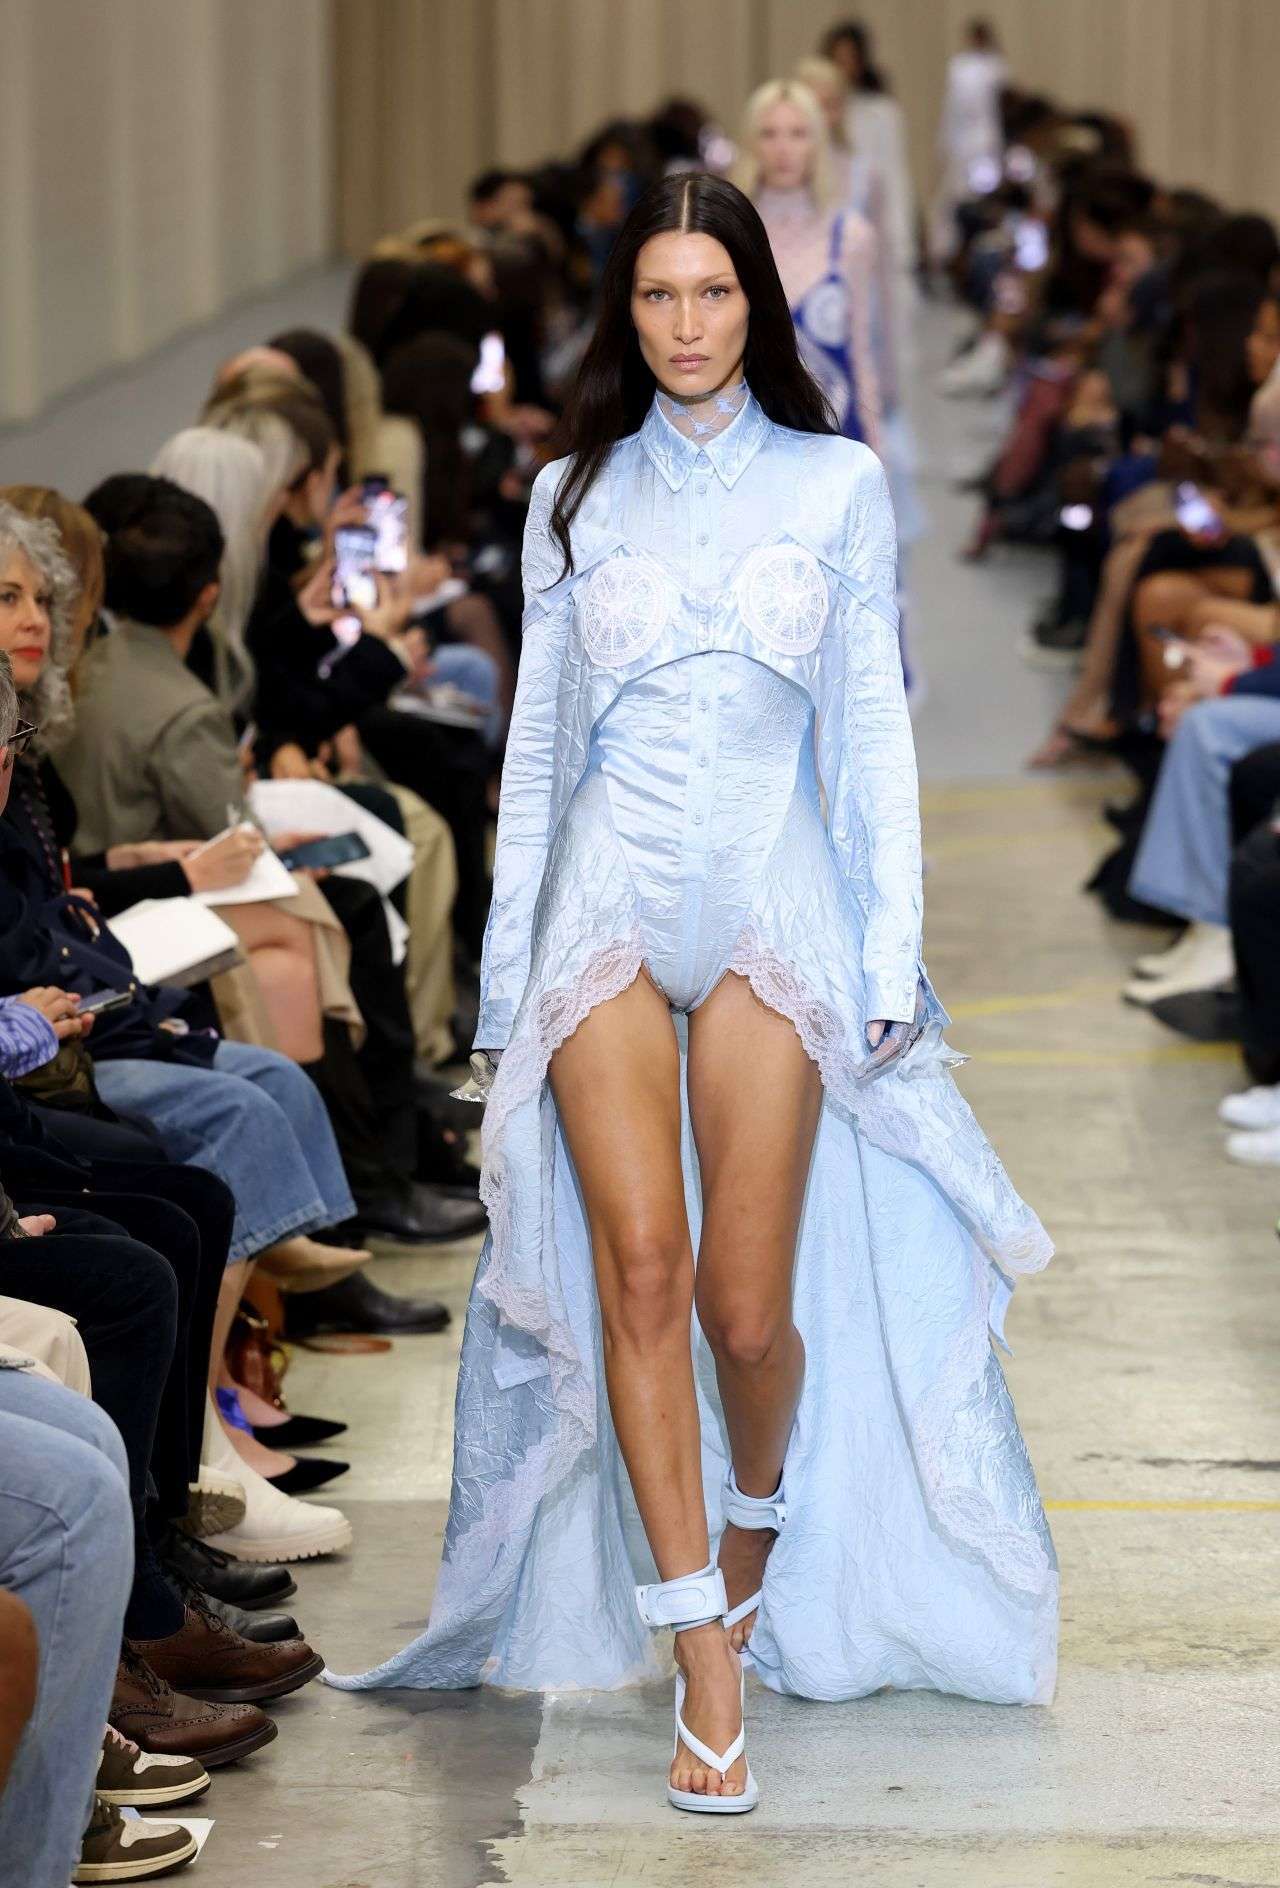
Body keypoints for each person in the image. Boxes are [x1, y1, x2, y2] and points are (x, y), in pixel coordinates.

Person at [330, 175, 1055, 1815]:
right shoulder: (573, 491)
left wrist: (891, 945)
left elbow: (870, 725)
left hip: (770, 898)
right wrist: (503, 979)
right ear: (625, 309)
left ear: (755, 304)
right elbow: (536, 748)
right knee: (641, 1273)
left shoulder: (837, 481)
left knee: (741, 1306)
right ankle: (700, 1658)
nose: (683, 323)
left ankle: (755, 1522)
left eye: (711, 291)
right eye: (655, 294)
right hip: (607, 890)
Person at [736, 79, 881, 453]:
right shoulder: (729, 234)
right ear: (751, 143)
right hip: (749, 443)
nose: (783, 149)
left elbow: (861, 353)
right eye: (769, 133)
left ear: (818, 142)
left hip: (835, 435)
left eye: (798, 134)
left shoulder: (850, 236)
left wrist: (876, 452)